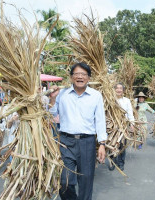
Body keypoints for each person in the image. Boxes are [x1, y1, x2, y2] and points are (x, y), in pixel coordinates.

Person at [49, 63, 107, 200]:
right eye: (76, 74)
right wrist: (52, 98)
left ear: (88, 78)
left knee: (86, 180)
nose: (80, 77)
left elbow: (100, 120)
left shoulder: (96, 95)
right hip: (65, 141)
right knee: (65, 181)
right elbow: (51, 114)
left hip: (87, 142)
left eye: (83, 74)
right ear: (71, 77)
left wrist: (102, 144)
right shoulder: (62, 94)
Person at [108, 83, 135, 171]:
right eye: (117, 88)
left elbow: (130, 113)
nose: (119, 90)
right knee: (111, 144)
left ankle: (121, 163)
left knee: (122, 145)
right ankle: (112, 162)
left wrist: (132, 124)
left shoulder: (126, 100)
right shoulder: (110, 100)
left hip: (123, 126)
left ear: (123, 91)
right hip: (112, 126)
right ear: (114, 89)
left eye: (121, 88)